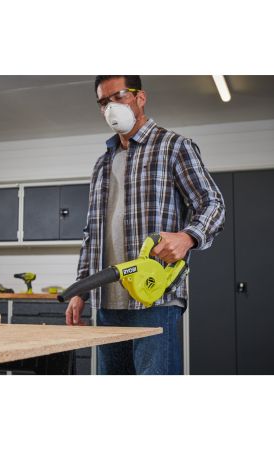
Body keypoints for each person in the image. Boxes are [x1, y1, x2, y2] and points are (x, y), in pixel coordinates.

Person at [65, 75, 225, 375]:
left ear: (140, 97)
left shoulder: (173, 146)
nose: (111, 107)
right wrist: (80, 290)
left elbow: (212, 204)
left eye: (118, 96)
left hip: (155, 299)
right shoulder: (102, 164)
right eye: (103, 102)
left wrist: (188, 237)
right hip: (108, 303)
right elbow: (92, 234)